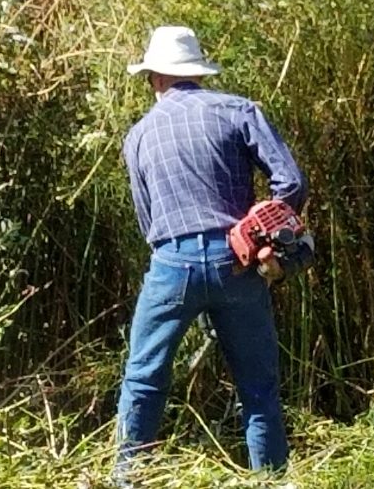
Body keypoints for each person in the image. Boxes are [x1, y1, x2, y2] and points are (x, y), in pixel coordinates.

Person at [114, 25, 309, 480]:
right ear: (197, 73)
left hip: (172, 264)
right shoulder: (238, 111)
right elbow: (292, 184)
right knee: (258, 387)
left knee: (144, 378)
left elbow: (149, 225)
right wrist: (265, 238)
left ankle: (127, 477)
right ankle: (270, 479)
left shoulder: (138, 136)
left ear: (155, 78)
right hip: (236, 263)